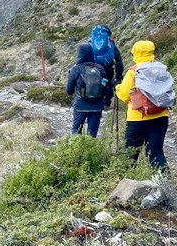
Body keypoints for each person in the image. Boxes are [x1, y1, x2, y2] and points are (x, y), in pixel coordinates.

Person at [115, 40, 169, 170]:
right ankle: (166, 184)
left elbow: (124, 95)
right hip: (161, 116)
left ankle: (126, 184)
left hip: (137, 119)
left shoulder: (133, 72)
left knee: (130, 155)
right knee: (156, 153)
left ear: (135, 53)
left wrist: (117, 86)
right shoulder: (162, 68)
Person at [66, 42, 107, 137]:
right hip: (97, 106)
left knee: (76, 132)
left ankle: (76, 151)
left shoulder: (76, 69)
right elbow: (106, 88)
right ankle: (91, 151)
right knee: (92, 134)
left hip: (80, 105)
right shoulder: (100, 68)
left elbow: (69, 91)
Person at [92, 25, 124, 107]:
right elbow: (118, 60)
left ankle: (94, 102)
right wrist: (118, 75)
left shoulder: (91, 42)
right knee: (108, 84)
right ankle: (106, 103)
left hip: (94, 69)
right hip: (108, 68)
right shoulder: (111, 43)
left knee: (94, 83)